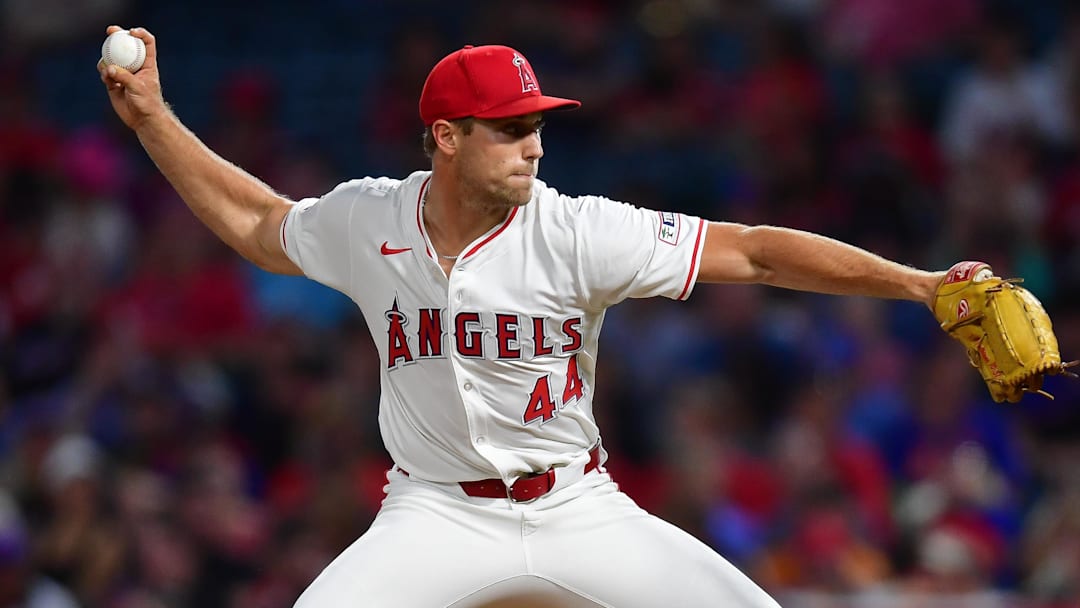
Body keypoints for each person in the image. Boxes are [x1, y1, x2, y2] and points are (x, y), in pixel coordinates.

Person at [98, 25, 946, 608]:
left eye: (536, 125)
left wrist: (921, 284)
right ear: (446, 137)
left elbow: (755, 251)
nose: (535, 145)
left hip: (578, 505)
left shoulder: (579, 229)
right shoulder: (372, 219)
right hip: (433, 513)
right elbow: (258, 223)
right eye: (508, 129)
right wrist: (152, 119)